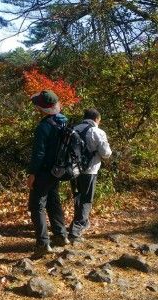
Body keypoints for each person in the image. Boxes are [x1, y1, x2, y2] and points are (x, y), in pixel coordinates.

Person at [27, 90, 70, 256]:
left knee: (36, 205)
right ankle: (61, 235)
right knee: (53, 201)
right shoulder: (63, 121)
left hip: (44, 171)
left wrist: (32, 174)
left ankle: (43, 244)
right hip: (58, 170)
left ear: (42, 108)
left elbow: (39, 153)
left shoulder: (44, 127)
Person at [69, 108, 112, 242]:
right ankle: (76, 230)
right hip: (90, 170)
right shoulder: (97, 132)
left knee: (77, 197)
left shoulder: (74, 129)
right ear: (96, 119)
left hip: (72, 170)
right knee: (86, 199)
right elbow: (106, 153)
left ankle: (79, 222)